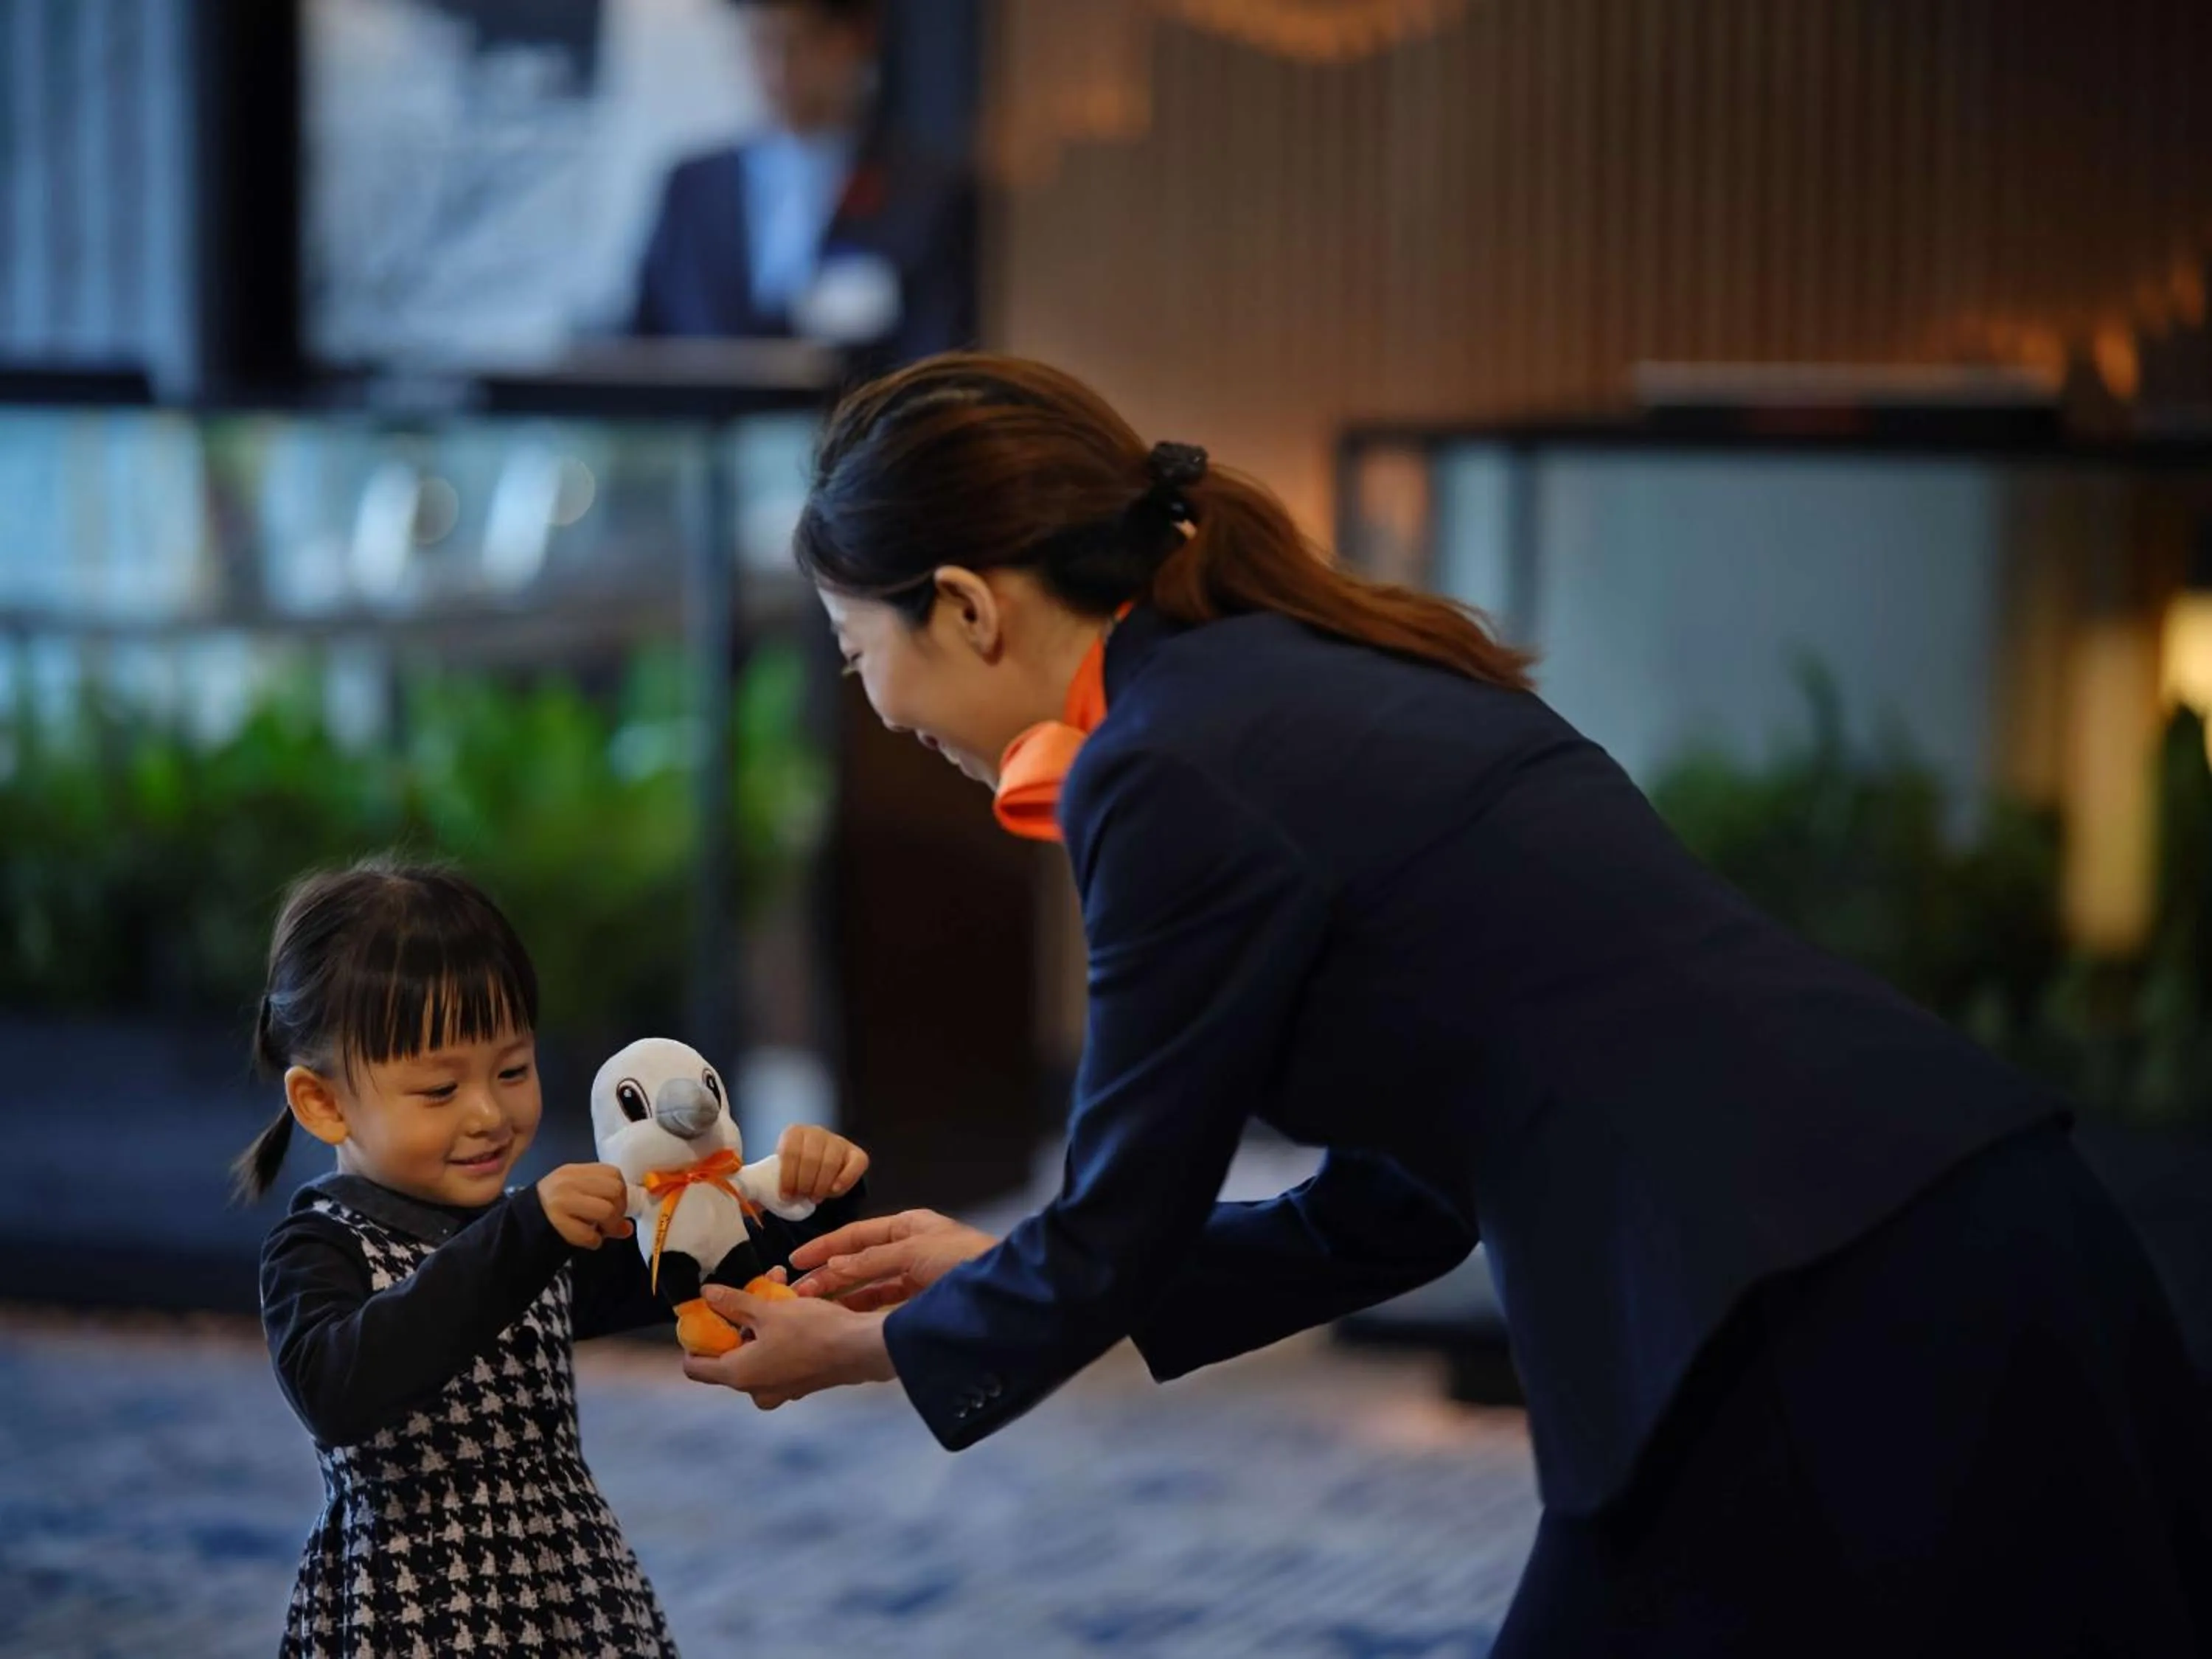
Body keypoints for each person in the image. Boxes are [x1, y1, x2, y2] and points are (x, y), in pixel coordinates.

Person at [679, 352, 2211, 1655]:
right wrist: (1012, 1268)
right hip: (1957, 1223)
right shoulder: (1307, 674)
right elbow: (1402, 1207)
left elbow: (1115, 1227)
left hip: (1799, 1304)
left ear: (961, 605)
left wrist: (881, 1338)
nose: (870, 702)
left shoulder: (1169, 767)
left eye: (851, 648)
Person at [234, 857, 870, 1658]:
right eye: (439, 1090)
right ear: (323, 1102)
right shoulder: (320, 1246)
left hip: (569, 1589)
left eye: (513, 1070)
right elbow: (341, 1388)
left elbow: (712, 1267)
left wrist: (820, 1197)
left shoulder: (534, 1228)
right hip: (413, 1613)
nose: (489, 1114)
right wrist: (522, 1233)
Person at [630, 0, 975, 370]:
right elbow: (642, 337)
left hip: (859, 421)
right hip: (702, 421)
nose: (779, 71)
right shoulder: (692, 188)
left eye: (797, 45)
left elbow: (937, 359)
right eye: (762, 45)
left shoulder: (924, 194)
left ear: (852, 43)